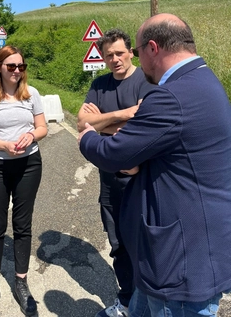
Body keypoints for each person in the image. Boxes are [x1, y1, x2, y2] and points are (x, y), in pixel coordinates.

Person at [78, 14, 231, 317]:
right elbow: (173, 152)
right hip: (168, 260)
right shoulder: (203, 80)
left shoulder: (171, 96)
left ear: (152, 48)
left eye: (132, 51)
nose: (126, 59)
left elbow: (114, 154)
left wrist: (88, 136)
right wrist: (136, 157)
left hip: (180, 266)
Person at [77, 29, 154, 317]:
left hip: (141, 179)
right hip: (109, 180)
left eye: (120, 53)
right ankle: (126, 302)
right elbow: (82, 124)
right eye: (108, 55)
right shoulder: (100, 84)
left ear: (131, 52)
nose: (114, 59)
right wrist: (122, 115)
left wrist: (100, 125)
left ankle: (148, 305)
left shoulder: (146, 80)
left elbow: (144, 125)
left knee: (145, 245)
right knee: (118, 245)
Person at [0, 45, 48, 317]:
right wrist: (3, 146)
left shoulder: (32, 94)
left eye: (21, 67)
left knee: (23, 225)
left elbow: (43, 127)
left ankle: (21, 281)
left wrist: (33, 136)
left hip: (28, 164)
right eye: (11, 66)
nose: (17, 71)